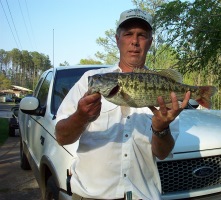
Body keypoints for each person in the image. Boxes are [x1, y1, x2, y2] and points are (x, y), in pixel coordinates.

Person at [55, 8, 190, 200]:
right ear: (118, 40)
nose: (134, 41)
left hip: (142, 195)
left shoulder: (164, 89)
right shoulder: (88, 80)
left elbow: (162, 153)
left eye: (141, 35)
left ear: (150, 42)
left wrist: (161, 128)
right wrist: (81, 116)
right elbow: (61, 137)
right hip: (91, 196)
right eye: (128, 34)